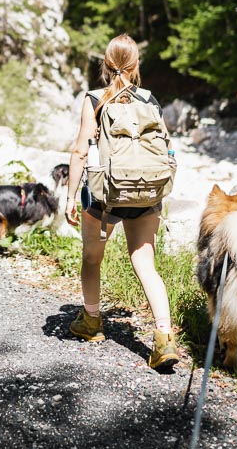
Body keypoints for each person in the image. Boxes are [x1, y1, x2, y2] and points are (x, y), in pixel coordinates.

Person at [65, 33, 179, 371]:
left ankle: (91, 321)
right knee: (145, 265)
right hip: (147, 193)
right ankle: (163, 339)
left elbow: (80, 150)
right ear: (136, 66)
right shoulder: (149, 99)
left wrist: (71, 196)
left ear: (105, 64)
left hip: (105, 197)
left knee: (91, 258)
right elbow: (166, 146)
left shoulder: (95, 99)